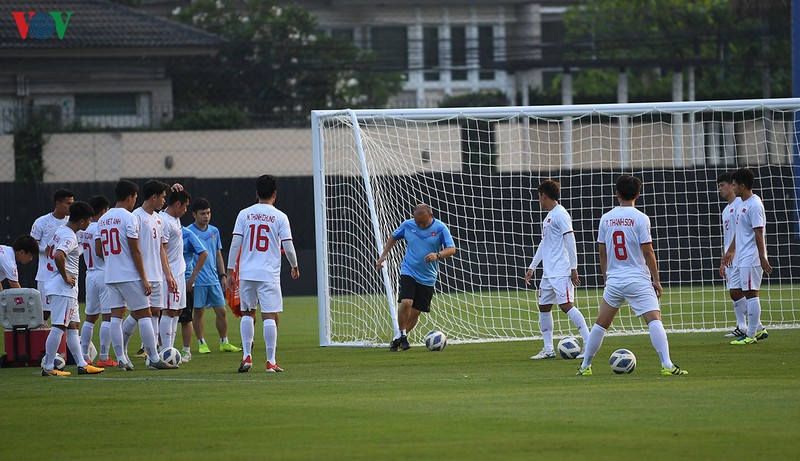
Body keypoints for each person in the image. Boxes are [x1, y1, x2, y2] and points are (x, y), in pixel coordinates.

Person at [577, 175, 687, 376]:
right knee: (654, 320)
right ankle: (667, 365)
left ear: (616, 193)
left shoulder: (606, 218)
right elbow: (648, 251)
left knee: (600, 325)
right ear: (638, 194)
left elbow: (602, 252)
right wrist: (656, 280)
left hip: (615, 280)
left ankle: (585, 367)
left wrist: (606, 277)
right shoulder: (641, 218)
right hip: (637, 278)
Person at [97, 179, 176, 371]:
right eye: (134, 197)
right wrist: (143, 277)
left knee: (116, 316)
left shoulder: (103, 219)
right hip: (130, 275)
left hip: (111, 275)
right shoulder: (130, 217)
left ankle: (122, 358)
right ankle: (155, 358)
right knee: (145, 315)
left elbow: (99, 250)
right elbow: (135, 251)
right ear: (131, 197)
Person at [226, 175, 299, 372]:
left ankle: (246, 356)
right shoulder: (280, 217)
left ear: (256, 193)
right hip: (269, 274)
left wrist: (230, 270)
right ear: (275, 194)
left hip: (247, 273)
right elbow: (289, 247)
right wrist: (294, 265)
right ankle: (270, 361)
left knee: (247, 313)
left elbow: (235, 244)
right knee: (269, 316)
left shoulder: (244, 214)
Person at [376, 203, 457, 351]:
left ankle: (398, 338)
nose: (420, 225)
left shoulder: (440, 228)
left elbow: (452, 249)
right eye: (418, 222)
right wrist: (384, 255)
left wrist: (437, 255)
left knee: (416, 311)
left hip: (428, 276)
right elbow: (393, 237)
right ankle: (403, 336)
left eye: (424, 222)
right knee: (406, 302)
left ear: (431, 216)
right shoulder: (407, 225)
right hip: (409, 270)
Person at [524, 179, 590, 360]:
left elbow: (570, 241)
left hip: (562, 270)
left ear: (544, 196)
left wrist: (573, 267)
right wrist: (532, 267)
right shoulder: (549, 217)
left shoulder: (561, 214)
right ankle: (548, 349)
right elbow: (543, 244)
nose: (539, 201)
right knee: (544, 307)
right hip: (548, 272)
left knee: (566, 306)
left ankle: (588, 343)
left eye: (539, 197)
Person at [41, 201, 105, 376]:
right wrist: (64, 275)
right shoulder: (69, 236)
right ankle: (48, 367)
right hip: (63, 287)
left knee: (73, 326)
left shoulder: (60, 231)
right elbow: (58, 255)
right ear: (82, 221)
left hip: (63, 287)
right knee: (58, 327)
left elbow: (48, 250)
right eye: (89, 220)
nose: (90, 224)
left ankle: (82, 364)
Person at [126, 180, 176, 359]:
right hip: (141, 275)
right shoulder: (136, 217)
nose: (164, 201)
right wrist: (142, 276)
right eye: (162, 197)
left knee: (155, 313)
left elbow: (162, 249)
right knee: (140, 314)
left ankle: (151, 354)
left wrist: (168, 275)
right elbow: (134, 250)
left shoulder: (159, 218)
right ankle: (122, 350)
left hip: (157, 275)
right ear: (154, 197)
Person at [722, 168, 772, 345]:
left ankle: (751, 335)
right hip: (740, 257)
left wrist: (762, 257)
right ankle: (758, 329)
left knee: (751, 294)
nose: (732, 187)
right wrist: (730, 251)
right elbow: (738, 231)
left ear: (742, 186)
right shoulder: (741, 204)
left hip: (751, 257)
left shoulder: (754, 204)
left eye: (734, 184)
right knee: (735, 291)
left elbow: (759, 233)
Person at [188, 197, 241, 354]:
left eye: (208, 213)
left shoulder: (214, 231)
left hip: (213, 279)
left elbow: (218, 254)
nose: (206, 216)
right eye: (203, 213)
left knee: (222, 311)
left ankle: (224, 342)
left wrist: (223, 275)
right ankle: (201, 343)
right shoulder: (188, 232)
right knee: (198, 312)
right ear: (194, 215)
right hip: (197, 280)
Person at [78, 195, 117, 367]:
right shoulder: (100, 227)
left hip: (90, 273)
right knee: (108, 317)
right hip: (103, 273)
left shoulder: (83, 229)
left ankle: (84, 356)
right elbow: (100, 251)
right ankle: (103, 357)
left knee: (90, 317)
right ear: (103, 211)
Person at [159, 189, 193, 352]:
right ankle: (165, 350)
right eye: (185, 206)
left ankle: (168, 349)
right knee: (169, 310)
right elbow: (161, 250)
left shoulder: (175, 218)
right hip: (170, 272)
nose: (186, 210)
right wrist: (168, 275)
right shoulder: (164, 221)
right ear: (177, 204)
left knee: (177, 310)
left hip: (180, 272)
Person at [31, 189, 74, 319]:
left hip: (66, 273)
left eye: (73, 203)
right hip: (46, 274)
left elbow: (80, 243)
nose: (71, 207)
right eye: (68, 203)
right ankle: (38, 337)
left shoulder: (72, 222)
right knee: (44, 313)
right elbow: (32, 245)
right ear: (58, 203)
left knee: (66, 314)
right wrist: (46, 250)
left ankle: (65, 339)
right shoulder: (41, 222)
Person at [717, 173, 750, 338]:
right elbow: (727, 236)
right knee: (733, 291)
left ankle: (755, 325)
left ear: (732, 185)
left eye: (722, 185)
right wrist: (724, 259)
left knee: (739, 291)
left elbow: (740, 232)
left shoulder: (739, 204)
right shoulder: (726, 209)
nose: (720, 189)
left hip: (740, 254)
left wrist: (732, 252)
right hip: (730, 256)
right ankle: (742, 325)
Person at [177, 225, 208, 362]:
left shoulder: (187, 234)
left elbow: (203, 253)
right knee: (163, 317)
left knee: (186, 318)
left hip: (185, 282)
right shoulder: (160, 229)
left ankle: (186, 351)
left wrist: (193, 276)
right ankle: (162, 350)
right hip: (165, 282)